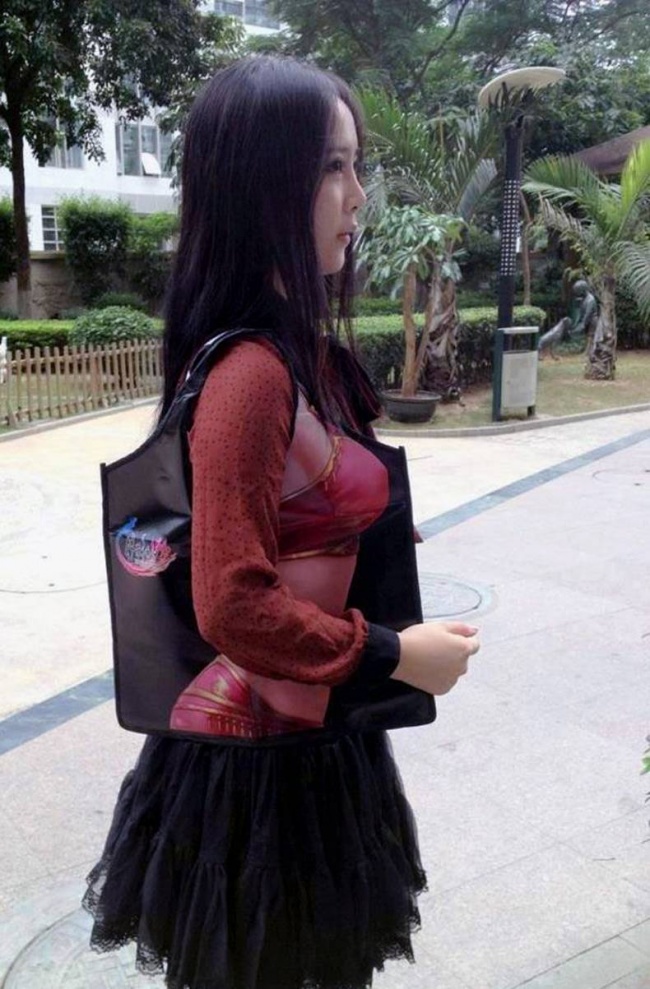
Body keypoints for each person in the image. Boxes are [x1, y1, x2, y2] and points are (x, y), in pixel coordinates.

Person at [84, 55, 479, 989]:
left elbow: (285, 516)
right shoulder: (253, 375)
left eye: (356, 165)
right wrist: (396, 653)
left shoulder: (297, 356)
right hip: (260, 771)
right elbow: (232, 602)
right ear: (261, 184)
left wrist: (361, 536)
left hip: (302, 740)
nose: (358, 195)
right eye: (332, 167)